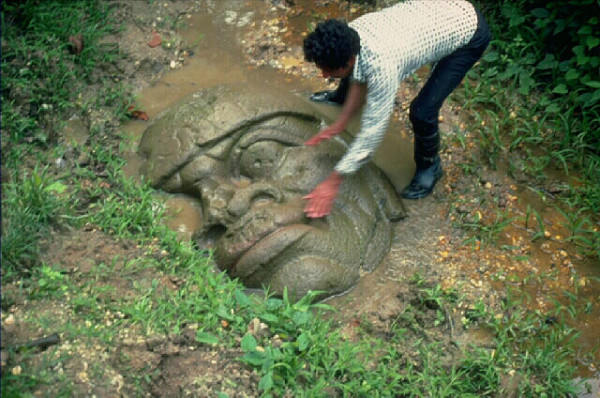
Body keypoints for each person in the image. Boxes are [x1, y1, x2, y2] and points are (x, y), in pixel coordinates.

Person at [302, 0, 491, 218]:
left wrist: (332, 183)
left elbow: (372, 134)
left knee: (422, 111)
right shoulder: (351, 35)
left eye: (327, 70)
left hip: (468, 33)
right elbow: (358, 76)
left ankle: (430, 167)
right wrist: (341, 123)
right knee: (352, 78)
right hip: (440, 13)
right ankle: (339, 99)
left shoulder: (382, 66)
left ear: (348, 61)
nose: (324, 76)